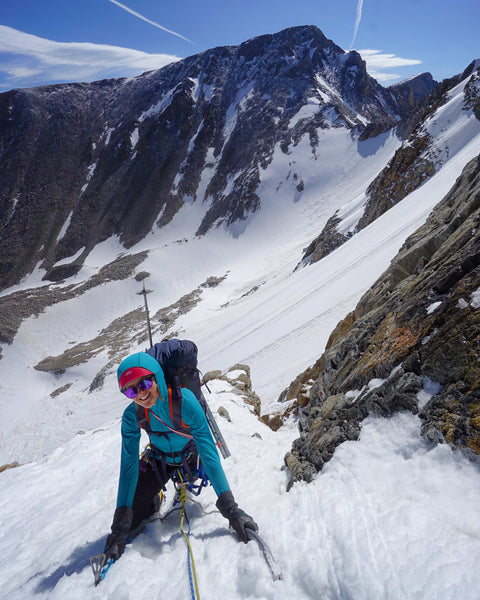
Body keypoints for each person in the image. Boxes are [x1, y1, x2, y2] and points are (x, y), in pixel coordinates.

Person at [103, 351, 258, 562]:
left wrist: (232, 511)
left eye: (145, 384)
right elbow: (128, 467)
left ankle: (175, 484)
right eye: (131, 391)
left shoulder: (184, 401)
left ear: (156, 377)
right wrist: (119, 529)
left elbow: (209, 453)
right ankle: (154, 499)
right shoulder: (132, 416)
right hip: (159, 460)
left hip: (191, 459)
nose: (140, 394)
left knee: (195, 467)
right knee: (132, 521)